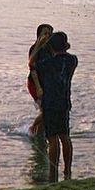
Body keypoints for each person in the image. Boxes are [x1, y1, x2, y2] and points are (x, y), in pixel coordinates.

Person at [31, 31, 77, 181]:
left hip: (50, 103)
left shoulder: (47, 63)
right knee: (65, 137)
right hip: (64, 103)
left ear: (51, 47)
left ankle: (53, 172)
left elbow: (32, 64)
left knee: (52, 140)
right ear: (65, 46)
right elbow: (65, 50)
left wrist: (39, 45)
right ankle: (68, 171)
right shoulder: (72, 61)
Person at [26, 23, 54, 136]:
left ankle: (40, 135)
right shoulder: (34, 49)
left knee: (46, 112)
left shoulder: (50, 49)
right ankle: (32, 128)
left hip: (46, 83)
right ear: (39, 35)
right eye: (45, 33)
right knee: (46, 111)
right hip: (34, 83)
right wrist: (38, 88)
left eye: (50, 34)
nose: (48, 36)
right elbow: (32, 68)